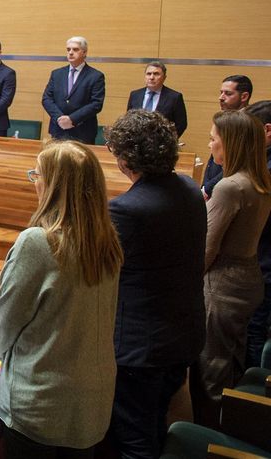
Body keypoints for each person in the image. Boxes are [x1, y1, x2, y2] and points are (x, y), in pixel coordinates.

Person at [0, 141, 123, 457]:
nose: (34, 181)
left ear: (53, 185)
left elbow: (2, 331)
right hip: (92, 404)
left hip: (42, 405)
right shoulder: (108, 242)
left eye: (37, 175)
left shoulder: (38, 243)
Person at [104, 110, 207, 458]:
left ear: (126, 158)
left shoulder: (125, 209)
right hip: (183, 335)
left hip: (140, 347)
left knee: (134, 439)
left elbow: (101, 272)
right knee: (159, 426)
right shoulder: (190, 189)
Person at [190, 109, 271, 428]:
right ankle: (234, 423)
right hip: (249, 278)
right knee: (233, 360)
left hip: (223, 285)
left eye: (213, 139)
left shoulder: (229, 187)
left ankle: (210, 436)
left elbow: (207, 248)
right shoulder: (259, 179)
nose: (210, 145)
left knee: (210, 369)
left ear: (231, 143)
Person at [243, 101, 271, 370]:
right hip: (261, 257)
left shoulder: (266, 169)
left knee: (255, 327)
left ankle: (247, 392)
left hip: (264, 260)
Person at [41, 36, 106, 143]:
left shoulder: (95, 76)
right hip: (58, 130)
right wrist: (59, 118)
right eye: (68, 49)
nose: (71, 52)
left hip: (83, 132)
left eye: (75, 49)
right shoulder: (57, 74)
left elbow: (96, 104)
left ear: (84, 53)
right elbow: (47, 98)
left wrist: (72, 119)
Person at [203, 75, 254, 197]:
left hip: (227, 190)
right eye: (221, 93)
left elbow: (237, 163)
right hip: (211, 186)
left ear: (244, 96)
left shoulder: (249, 124)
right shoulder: (223, 117)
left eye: (228, 93)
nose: (221, 98)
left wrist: (207, 189)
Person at [125, 61, 188, 138]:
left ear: (164, 77)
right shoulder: (135, 95)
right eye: (148, 74)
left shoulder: (174, 97)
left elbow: (181, 124)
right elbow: (128, 120)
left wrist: (168, 142)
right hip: (136, 144)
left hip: (161, 145)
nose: (151, 77)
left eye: (156, 74)